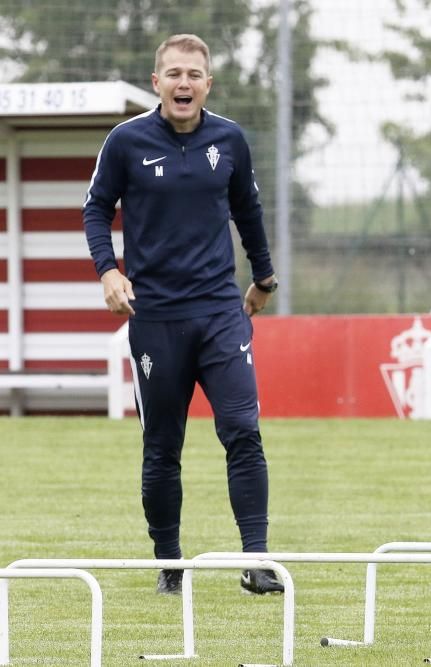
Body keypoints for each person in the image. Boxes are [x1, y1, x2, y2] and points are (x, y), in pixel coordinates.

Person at [82, 34, 283, 596]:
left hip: (221, 312)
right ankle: (169, 561)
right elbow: (96, 208)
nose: (183, 83)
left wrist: (263, 277)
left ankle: (258, 561)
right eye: (173, 74)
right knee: (163, 447)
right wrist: (108, 271)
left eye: (194, 74)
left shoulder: (230, 140)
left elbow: (248, 210)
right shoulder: (125, 142)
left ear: (208, 84)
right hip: (157, 321)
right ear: (156, 83)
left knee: (243, 431)